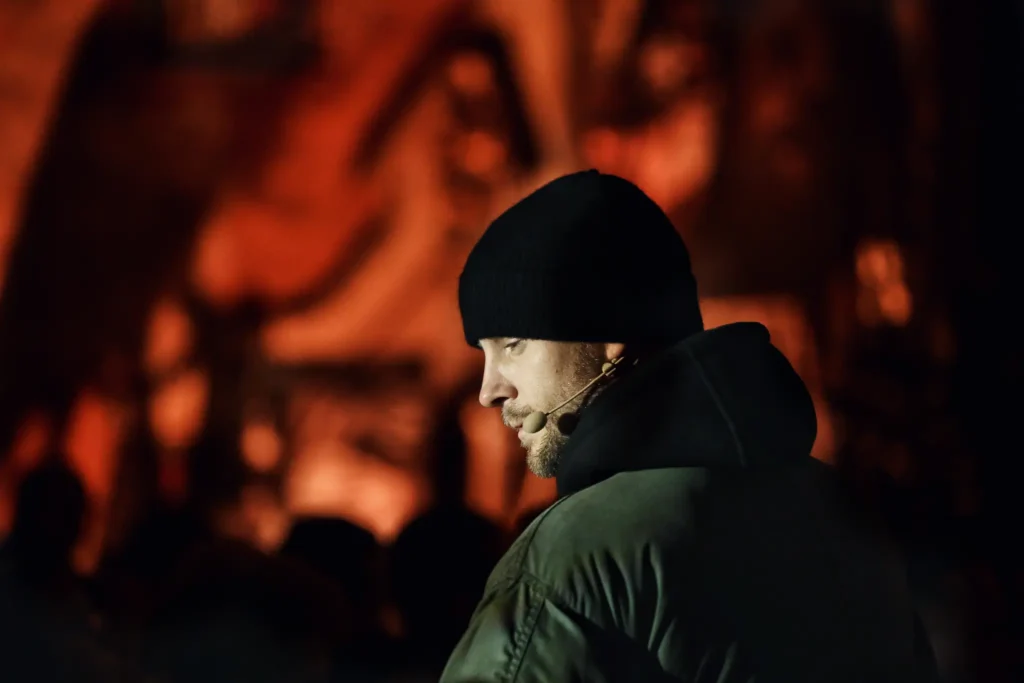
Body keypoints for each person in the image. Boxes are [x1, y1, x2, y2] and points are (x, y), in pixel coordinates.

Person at [441, 170, 940, 682]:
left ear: (609, 334)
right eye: (484, 353)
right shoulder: (838, 516)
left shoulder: (566, 562)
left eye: (514, 345)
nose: (489, 390)